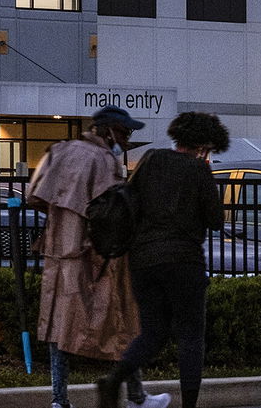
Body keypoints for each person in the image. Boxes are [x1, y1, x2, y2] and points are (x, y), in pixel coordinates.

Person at [28, 105, 169, 408]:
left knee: (59, 328)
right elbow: (111, 212)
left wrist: (62, 219)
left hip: (57, 252)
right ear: (107, 131)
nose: (126, 138)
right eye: (123, 132)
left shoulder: (59, 150)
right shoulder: (104, 160)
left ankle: (59, 399)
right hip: (95, 256)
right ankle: (137, 396)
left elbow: (34, 195)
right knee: (123, 322)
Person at [96, 111, 227, 408]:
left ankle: (115, 378)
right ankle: (189, 404)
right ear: (203, 143)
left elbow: (130, 200)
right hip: (184, 259)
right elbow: (216, 220)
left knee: (153, 331)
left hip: (143, 259)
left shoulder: (152, 159)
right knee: (191, 334)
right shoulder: (199, 170)